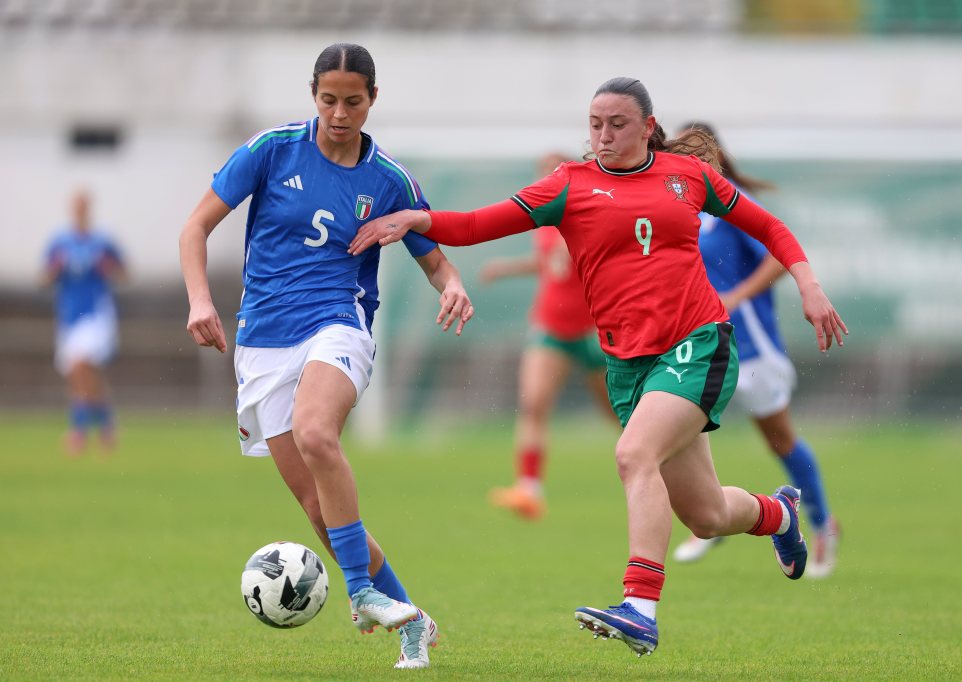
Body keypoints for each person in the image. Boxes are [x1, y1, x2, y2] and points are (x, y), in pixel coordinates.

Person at [349, 77, 847, 658]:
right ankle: (779, 514)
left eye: (617, 124)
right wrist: (416, 219)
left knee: (633, 455)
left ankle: (640, 607)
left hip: (698, 343)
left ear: (648, 128)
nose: (603, 135)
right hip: (628, 364)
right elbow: (479, 224)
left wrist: (809, 285)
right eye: (595, 124)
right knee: (707, 515)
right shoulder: (570, 185)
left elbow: (769, 228)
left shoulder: (688, 177)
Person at [179, 43, 473, 670]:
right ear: (313, 95)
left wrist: (452, 285)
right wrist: (200, 300)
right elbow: (194, 228)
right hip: (263, 342)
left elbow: (435, 259)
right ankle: (411, 621)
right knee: (320, 511)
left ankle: (360, 592)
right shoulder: (271, 150)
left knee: (317, 433)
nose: (340, 114)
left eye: (353, 102)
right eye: (329, 100)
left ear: (373, 99)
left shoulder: (388, 180)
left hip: (338, 324)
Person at [670, 121, 841, 579]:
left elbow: (778, 255)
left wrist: (737, 296)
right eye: (678, 151)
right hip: (700, 345)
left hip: (750, 344)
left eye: (694, 152)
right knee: (679, 431)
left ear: (715, 157)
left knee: (780, 439)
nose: (685, 160)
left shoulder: (731, 204)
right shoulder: (678, 206)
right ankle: (708, 518)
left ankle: (823, 524)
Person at [482, 152, 618, 521]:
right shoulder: (541, 218)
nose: (545, 180)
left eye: (552, 172)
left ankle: (660, 466)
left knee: (618, 413)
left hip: (593, 328)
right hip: (551, 326)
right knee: (534, 403)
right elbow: (549, 265)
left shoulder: (592, 213)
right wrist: (505, 268)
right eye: (541, 173)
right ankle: (529, 489)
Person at [42, 189, 127, 456]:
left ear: (88, 208)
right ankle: (107, 424)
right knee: (81, 374)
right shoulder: (59, 242)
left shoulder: (102, 242)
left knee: (80, 365)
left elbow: (124, 273)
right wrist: (55, 270)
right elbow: (43, 279)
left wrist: (108, 269)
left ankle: (78, 431)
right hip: (69, 316)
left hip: (96, 314)